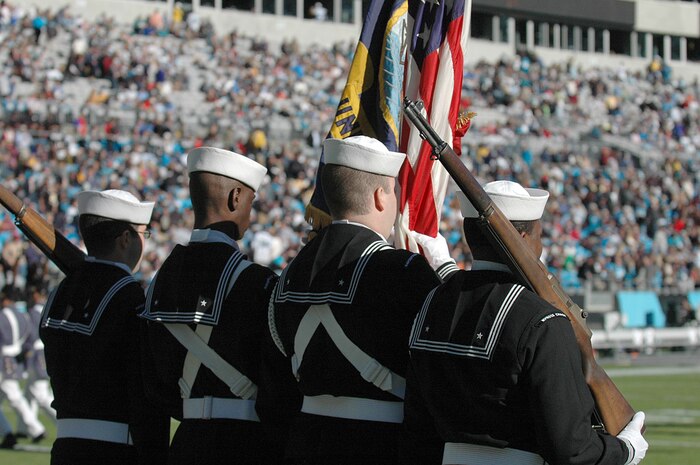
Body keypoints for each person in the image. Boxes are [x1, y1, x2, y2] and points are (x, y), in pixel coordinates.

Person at [404, 180, 649, 465]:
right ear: (519, 239)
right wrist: (625, 449)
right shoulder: (542, 320)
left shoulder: (433, 303)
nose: (541, 246)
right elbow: (572, 451)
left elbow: (416, 429)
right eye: (538, 236)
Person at [259, 136, 458, 465]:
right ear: (382, 196)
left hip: (305, 443)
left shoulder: (290, 274)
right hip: (382, 445)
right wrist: (447, 273)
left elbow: (274, 395)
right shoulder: (403, 270)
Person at [139, 147, 279, 465]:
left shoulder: (159, 281)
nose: (250, 212)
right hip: (245, 443)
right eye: (250, 202)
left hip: (186, 442)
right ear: (235, 198)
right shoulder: (257, 282)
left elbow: (154, 382)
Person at [40, 189, 169, 465]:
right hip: (116, 450)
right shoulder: (130, 296)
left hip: (64, 447)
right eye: (142, 234)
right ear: (125, 238)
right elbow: (143, 396)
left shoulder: (59, 294)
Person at [0, 285, 46, 445]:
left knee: (14, 396)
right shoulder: (22, 316)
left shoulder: (2, 316)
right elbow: (28, 337)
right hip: (16, 357)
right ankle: (7, 433)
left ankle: (35, 428)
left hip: (4, 359)